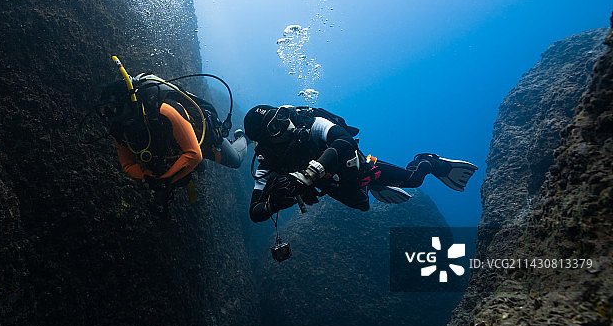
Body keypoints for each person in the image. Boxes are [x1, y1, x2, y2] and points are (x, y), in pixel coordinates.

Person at [243, 104, 477, 222]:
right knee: (363, 204)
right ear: (265, 141)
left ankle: (427, 162)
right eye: (275, 127)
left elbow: (344, 140)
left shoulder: (310, 123)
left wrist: (308, 175)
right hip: (333, 185)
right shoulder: (267, 161)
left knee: (413, 180)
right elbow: (255, 213)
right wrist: (274, 203)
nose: (286, 124)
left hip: (357, 166)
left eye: (281, 115)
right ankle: (372, 187)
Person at [97, 69, 247, 209]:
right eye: (103, 111)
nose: (110, 116)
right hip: (175, 149)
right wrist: (149, 177)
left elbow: (194, 154)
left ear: (129, 101)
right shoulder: (119, 128)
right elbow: (128, 166)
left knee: (236, 160)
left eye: (113, 108)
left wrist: (163, 181)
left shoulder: (164, 110)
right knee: (190, 168)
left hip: (203, 141)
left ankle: (242, 137)